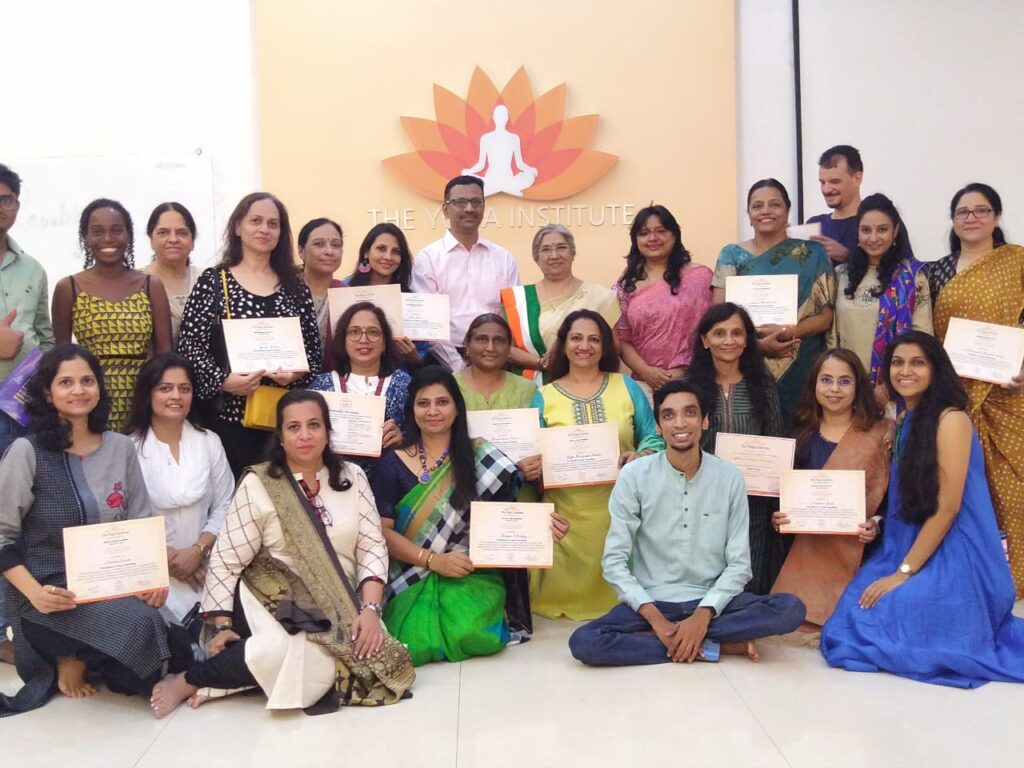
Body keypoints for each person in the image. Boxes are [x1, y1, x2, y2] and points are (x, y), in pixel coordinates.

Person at [149, 390, 415, 717]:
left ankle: (228, 682)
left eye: (314, 425)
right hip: (273, 591)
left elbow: (372, 545)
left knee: (372, 657)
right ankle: (190, 679)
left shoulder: (352, 477)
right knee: (282, 648)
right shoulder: (260, 483)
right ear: (280, 436)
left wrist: (371, 610)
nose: (305, 435)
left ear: (327, 431)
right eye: (293, 427)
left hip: (341, 596)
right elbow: (227, 559)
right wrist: (221, 625)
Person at [821, 332, 1024, 688]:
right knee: (849, 620)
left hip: (957, 554)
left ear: (935, 369)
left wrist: (903, 574)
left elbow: (948, 508)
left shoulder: (951, 420)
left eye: (917, 363)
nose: (905, 371)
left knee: (885, 622)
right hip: (907, 545)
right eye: (897, 363)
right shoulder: (905, 420)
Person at [0, 344, 190, 716]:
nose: (79, 390)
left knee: (177, 648)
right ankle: (65, 654)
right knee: (143, 640)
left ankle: (81, 656)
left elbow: (140, 522)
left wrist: (152, 581)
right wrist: (36, 594)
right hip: (52, 594)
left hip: (113, 585)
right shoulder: (27, 452)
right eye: (66, 382)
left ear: (99, 388)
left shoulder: (120, 447)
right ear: (47, 393)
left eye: (87, 381)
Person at [568, 379, 806, 666]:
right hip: (653, 600)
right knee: (585, 642)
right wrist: (655, 619)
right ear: (658, 426)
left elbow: (740, 565)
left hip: (714, 601)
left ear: (705, 421)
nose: (680, 423)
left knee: (789, 609)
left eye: (690, 413)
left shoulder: (729, 477)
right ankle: (716, 646)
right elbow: (614, 562)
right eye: (668, 415)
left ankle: (676, 640)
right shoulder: (635, 476)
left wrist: (703, 615)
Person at [372, 366, 524, 666]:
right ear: (411, 409)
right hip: (411, 570)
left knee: (473, 634)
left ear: (457, 408)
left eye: (442, 402)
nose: (433, 411)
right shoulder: (393, 462)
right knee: (413, 642)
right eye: (423, 403)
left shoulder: (480, 456)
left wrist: (542, 530)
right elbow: (382, 532)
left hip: (468, 569)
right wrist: (433, 560)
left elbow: (506, 520)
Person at [529, 310, 662, 620]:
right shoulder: (543, 397)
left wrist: (641, 454)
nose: (584, 346)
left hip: (621, 514)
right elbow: (532, 456)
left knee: (623, 606)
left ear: (604, 347)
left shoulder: (626, 386)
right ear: (563, 345)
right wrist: (535, 467)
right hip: (566, 522)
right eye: (576, 338)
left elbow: (653, 439)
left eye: (594, 339)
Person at [177, 192, 321, 477]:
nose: (264, 229)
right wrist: (223, 381)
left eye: (273, 224)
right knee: (235, 494)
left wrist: (294, 374)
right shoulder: (213, 282)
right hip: (227, 420)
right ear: (237, 227)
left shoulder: (296, 286)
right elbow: (189, 346)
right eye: (256, 221)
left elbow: (313, 354)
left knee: (282, 495)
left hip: (283, 422)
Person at [928, 183, 1024, 596]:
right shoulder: (937, 271)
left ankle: (1016, 576)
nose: (972, 218)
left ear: (996, 217)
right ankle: (975, 575)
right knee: (964, 486)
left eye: (981, 210)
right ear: (953, 220)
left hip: (1009, 394)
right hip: (955, 397)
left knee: (1014, 487)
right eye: (963, 212)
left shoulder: (1017, 262)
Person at [771, 349, 893, 628]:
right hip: (805, 558)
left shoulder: (881, 435)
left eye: (844, 381)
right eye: (826, 380)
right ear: (814, 385)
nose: (834, 389)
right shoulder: (798, 437)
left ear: (858, 386)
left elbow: (891, 500)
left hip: (862, 556)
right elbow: (783, 500)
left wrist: (876, 524)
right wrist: (778, 519)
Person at [712, 179, 836, 423]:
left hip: (802, 364)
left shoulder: (812, 254)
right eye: (757, 206)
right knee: (751, 435)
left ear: (787, 211)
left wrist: (788, 332)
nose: (765, 211)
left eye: (774, 204)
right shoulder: (731, 256)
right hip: (747, 364)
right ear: (749, 215)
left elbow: (825, 317)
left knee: (803, 435)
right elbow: (718, 318)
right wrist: (756, 346)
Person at [125, 354, 233, 622]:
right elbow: (122, 517)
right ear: (148, 394)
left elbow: (226, 503)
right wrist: (170, 560)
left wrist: (197, 552)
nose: (176, 396)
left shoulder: (209, 441)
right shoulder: (128, 449)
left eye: (184, 389)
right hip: (150, 574)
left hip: (208, 569)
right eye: (165, 388)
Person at [51, 199, 173, 431]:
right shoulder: (69, 287)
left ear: (128, 235)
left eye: (116, 230)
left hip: (142, 398)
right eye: (98, 231)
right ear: (85, 238)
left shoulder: (151, 285)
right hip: (88, 397)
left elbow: (165, 355)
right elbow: (61, 358)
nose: (108, 238)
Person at [688, 303, 785, 594]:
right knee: (704, 573)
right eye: (719, 333)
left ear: (747, 340)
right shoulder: (690, 387)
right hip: (702, 498)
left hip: (753, 502)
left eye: (737, 333)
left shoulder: (763, 385)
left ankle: (745, 617)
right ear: (705, 340)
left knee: (749, 574)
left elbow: (776, 440)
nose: (728, 340)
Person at [0, 163, 55, 667]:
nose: (0, 208)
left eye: (6, 199)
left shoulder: (33, 269)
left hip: (21, 414)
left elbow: (46, 338)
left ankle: (17, 627)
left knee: (17, 520)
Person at [411, 175, 520, 371]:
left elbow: (513, 317)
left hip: (497, 361)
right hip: (444, 364)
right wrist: (460, 368)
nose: (469, 208)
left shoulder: (504, 259)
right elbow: (429, 325)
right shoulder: (427, 259)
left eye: (476, 202)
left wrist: (498, 359)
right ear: (445, 209)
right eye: (460, 202)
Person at [829, 194, 931, 390]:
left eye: (882, 230)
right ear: (857, 232)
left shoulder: (912, 277)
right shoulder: (841, 275)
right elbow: (831, 337)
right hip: (846, 385)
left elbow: (922, 338)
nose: (873, 238)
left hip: (895, 386)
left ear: (895, 232)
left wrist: (887, 389)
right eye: (866, 230)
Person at [614, 205, 713, 397]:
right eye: (644, 233)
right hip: (646, 385)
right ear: (635, 240)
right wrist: (646, 371)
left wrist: (685, 370)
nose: (653, 238)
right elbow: (623, 340)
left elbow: (714, 329)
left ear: (675, 235)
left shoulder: (701, 277)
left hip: (696, 379)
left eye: (661, 231)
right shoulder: (624, 288)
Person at [501, 224, 619, 384]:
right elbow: (505, 348)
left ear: (573, 253)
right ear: (536, 257)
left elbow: (613, 346)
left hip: (585, 384)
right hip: (531, 387)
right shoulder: (518, 299)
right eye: (546, 249)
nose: (554, 255)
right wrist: (540, 363)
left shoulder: (600, 297)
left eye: (561, 247)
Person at [309, 301, 410, 481]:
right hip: (331, 481)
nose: (364, 339)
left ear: (385, 342)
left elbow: (421, 438)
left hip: (389, 484)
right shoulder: (320, 386)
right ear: (343, 340)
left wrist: (402, 438)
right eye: (354, 332)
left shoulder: (404, 384)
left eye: (373, 332)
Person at [344, 223, 423, 369]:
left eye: (396, 252)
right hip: (348, 374)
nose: (388, 257)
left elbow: (422, 352)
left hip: (397, 375)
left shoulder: (410, 300)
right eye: (381, 249)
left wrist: (413, 357)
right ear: (366, 252)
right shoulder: (344, 289)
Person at [144, 202, 202, 344]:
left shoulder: (207, 280)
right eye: (163, 233)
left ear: (193, 240)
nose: (173, 239)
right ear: (151, 239)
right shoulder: (136, 283)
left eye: (182, 233)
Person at [454, 313, 537, 412]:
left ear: (509, 348)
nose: (490, 348)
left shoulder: (527, 389)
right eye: (482, 339)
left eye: (499, 341)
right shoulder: (449, 385)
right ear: (467, 345)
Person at [297, 217, 345, 365]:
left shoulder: (346, 295)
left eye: (336, 245)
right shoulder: (281, 291)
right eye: (319, 244)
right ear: (301, 251)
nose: (329, 251)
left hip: (332, 378)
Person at [806, 145, 863, 263]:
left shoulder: (876, 224)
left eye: (835, 182)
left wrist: (847, 256)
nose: (826, 190)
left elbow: (895, 268)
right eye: (822, 182)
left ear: (857, 179)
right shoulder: (814, 225)